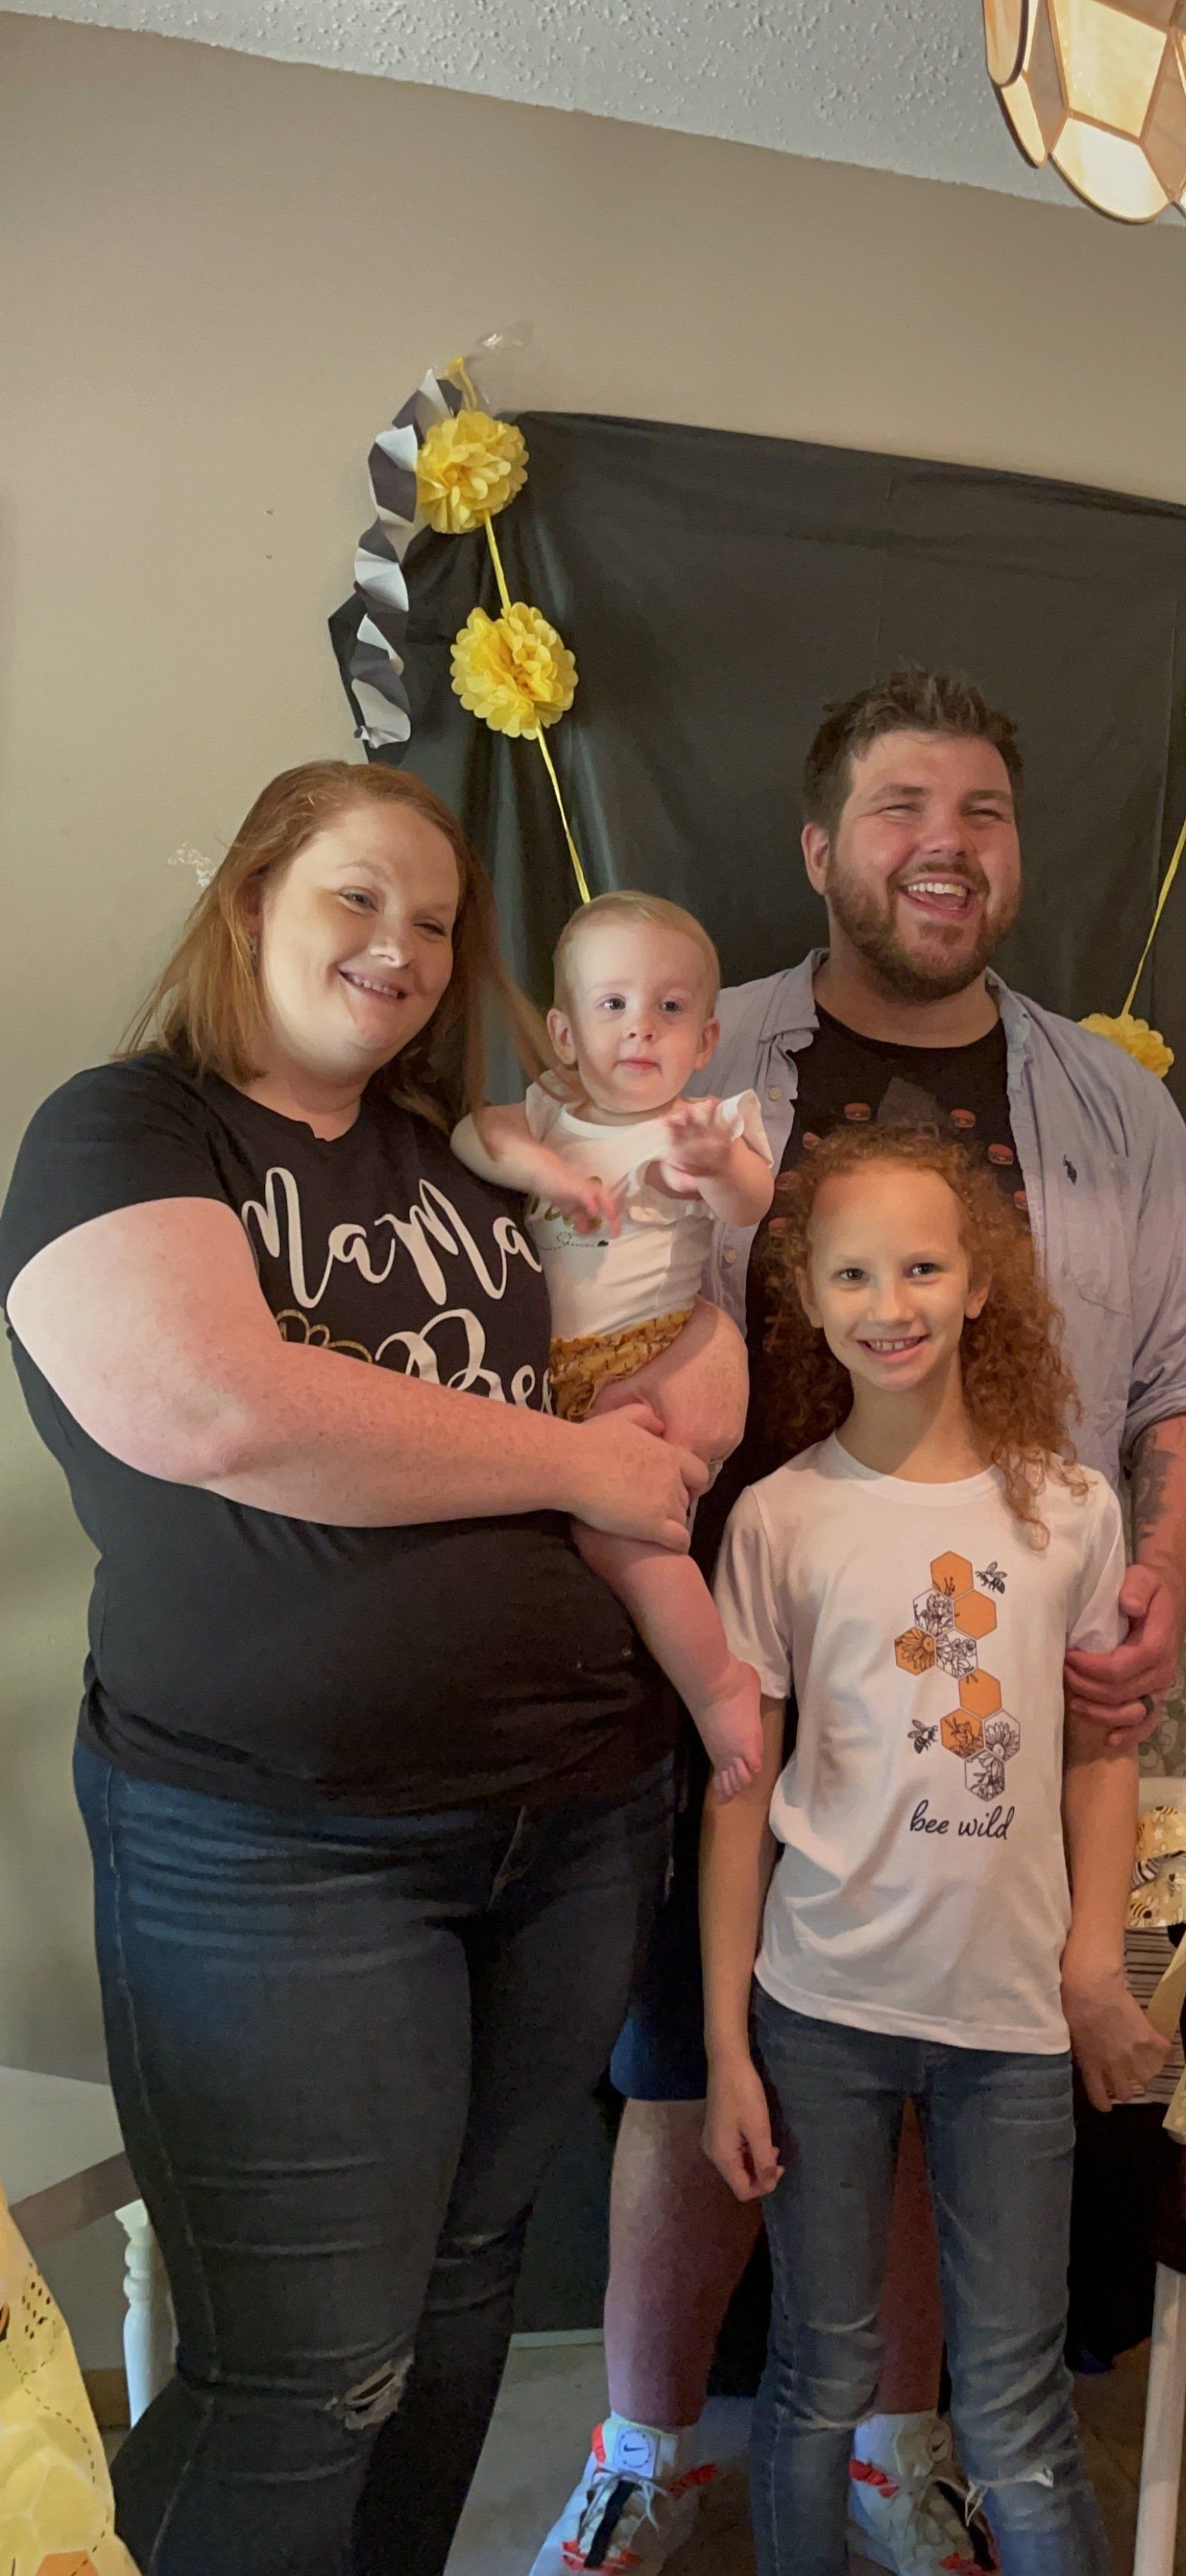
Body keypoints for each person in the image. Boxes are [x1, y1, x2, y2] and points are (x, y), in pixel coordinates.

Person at [535, 669, 1186, 2576]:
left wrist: (1157, 1583)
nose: (945, 846)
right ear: (819, 847)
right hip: (711, 1651)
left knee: (946, 2059)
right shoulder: (688, 1047)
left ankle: (899, 2445)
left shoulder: (1109, 1102)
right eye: (900, 808)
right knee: (686, 2058)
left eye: (982, 813)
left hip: (982, 1675)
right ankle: (642, 2450)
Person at [0, 761, 711, 2576]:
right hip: (278, 1844)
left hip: (573, 1816)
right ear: (251, 900)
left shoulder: (461, 1151)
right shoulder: (125, 1127)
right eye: (356, 896)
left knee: (464, 2298)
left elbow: (635, 1350)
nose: (402, 946)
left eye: (438, 921)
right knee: (304, 2375)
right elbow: (214, 1405)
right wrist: (574, 1463)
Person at [703, 1125, 1170, 2576]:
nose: (888, 1302)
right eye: (852, 1272)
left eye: (921, 1265)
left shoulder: (1070, 1509)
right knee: (818, 2375)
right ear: (807, 1294)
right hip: (820, 2007)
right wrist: (724, 2045)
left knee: (1017, 2408)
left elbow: (1101, 1750)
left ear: (979, 1284)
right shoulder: (779, 1519)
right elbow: (739, 1792)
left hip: (1011, 2021)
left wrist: (1094, 1962)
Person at [453, 891, 774, 1799]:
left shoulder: (704, 1123)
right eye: (614, 1004)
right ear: (563, 1033)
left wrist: (713, 1165)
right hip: (544, 1376)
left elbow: (752, 1200)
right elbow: (473, 1131)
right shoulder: (548, 1113)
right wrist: (546, 1171)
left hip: (647, 1358)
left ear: (705, 1040)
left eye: (670, 1008)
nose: (642, 1027)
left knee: (624, 1537)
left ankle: (718, 1684)